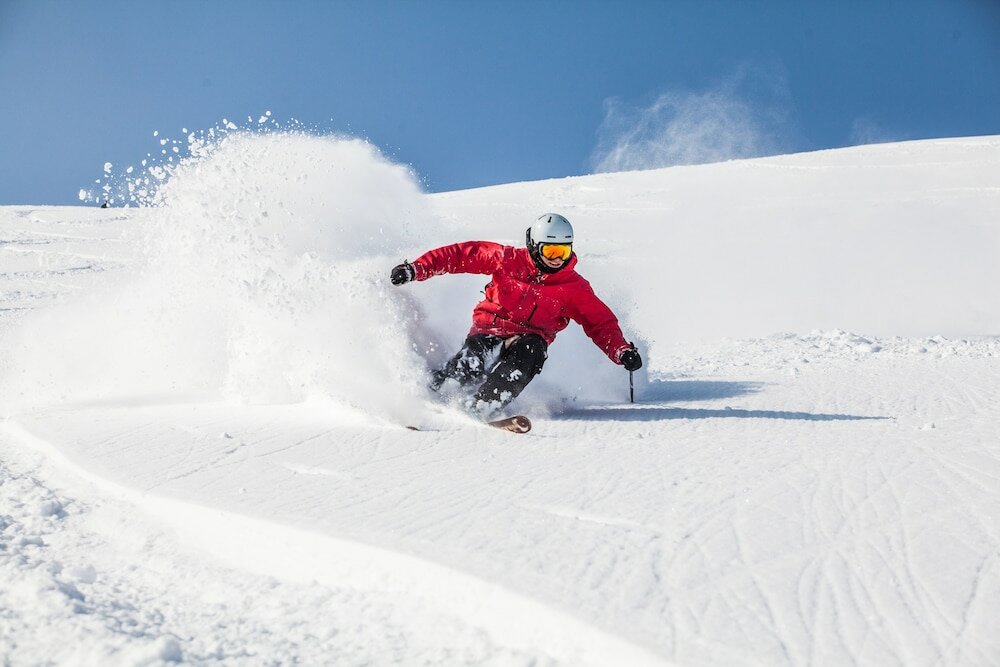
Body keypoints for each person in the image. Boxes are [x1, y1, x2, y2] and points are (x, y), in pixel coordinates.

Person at [390, 213, 642, 418]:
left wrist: (620, 351)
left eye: (563, 253)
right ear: (534, 246)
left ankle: (483, 405)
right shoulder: (507, 260)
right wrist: (416, 269)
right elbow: (461, 255)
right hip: (490, 328)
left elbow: (600, 322)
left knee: (530, 352)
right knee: (473, 360)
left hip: (532, 337)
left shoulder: (573, 287)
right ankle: (438, 391)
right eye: (551, 252)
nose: (556, 260)